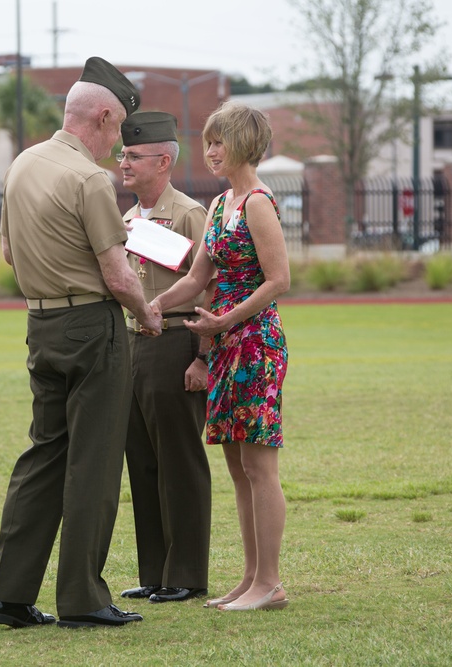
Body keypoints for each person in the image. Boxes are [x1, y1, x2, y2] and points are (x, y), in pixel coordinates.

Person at [0, 56, 161, 630]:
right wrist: (147, 314)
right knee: (95, 464)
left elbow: (9, 253)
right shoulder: (87, 178)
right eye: (118, 131)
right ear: (104, 115)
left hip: (40, 325)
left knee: (43, 457)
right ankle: (82, 597)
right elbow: (116, 274)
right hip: (92, 327)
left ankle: (7, 596)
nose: (117, 144)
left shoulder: (23, 165)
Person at [149, 101, 290, 612]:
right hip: (227, 342)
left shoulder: (257, 201)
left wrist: (224, 323)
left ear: (244, 145)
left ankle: (270, 583)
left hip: (255, 344)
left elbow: (279, 280)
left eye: (219, 141)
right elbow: (196, 279)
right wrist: (154, 304)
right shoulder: (218, 205)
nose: (210, 151)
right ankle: (251, 579)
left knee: (259, 466)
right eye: (208, 141)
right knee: (237, 467)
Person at [115, 111, 213, 605]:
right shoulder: (128, 219)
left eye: (133, 156)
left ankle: (188, 574)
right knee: (144, 462)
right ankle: (155, 571)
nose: (123, 163)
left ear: (163, 160)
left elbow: (210, 289)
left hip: (178, 341)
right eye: (123, 154)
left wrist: (203, 358)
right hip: (134, 344)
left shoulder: (190, 215)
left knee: (180, 461)